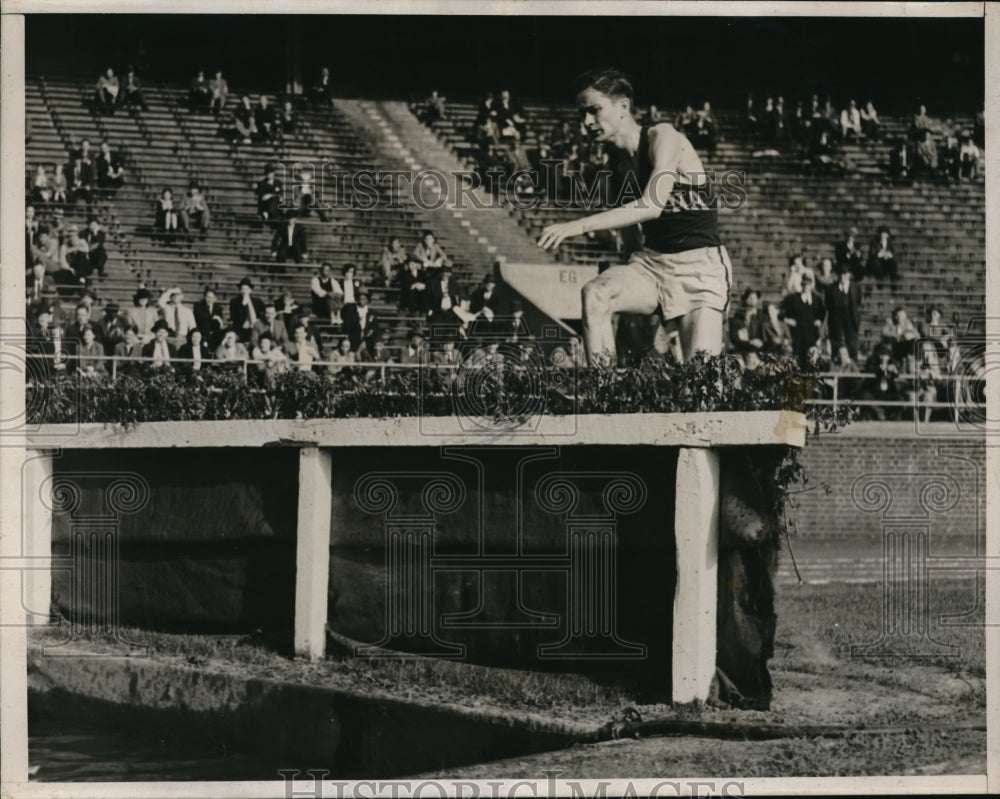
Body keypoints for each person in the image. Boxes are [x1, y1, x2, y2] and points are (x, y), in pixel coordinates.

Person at [537, 68, 732, 365]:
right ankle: (603, 399)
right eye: (582, 114)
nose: (586, 122)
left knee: (702, 385)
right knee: (595, 294)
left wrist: (577, 225)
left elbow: (652, 204)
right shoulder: (613, 167)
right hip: (652, 265)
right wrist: (645, 310)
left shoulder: (663, 136)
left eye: (594, 110)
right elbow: (631, 243)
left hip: (699, 269)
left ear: (623, 107)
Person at [781, 272, 825, 368]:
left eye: (808, 284)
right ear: (801, 285)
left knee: (811, 357)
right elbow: (781, 311)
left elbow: (823, 313)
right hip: (797, 333)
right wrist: (787, 319)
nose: (805, 286)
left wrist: (819, 321)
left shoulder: (817, 299)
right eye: (803, 284)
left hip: (812, 333)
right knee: (797, 356)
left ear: (811, 285)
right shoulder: (793, 298)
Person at [824, 264, 862, 364]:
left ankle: (854, 368)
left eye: (845, 274)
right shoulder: (831, 288)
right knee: (836, 344)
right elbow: (828, 305)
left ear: (849, 275)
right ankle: (835, 367)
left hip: (851, 318)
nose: (843, 276)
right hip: (836, 319)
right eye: (840, 274)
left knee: (852, 344)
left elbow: (858, 301)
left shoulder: (856, 286)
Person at [229, 277, 267, 343]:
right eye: (242, 289)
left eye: (246, 289)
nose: (244, 291)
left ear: (250, 290)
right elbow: (234, 318)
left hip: (255, 328)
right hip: (241, 329)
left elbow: (265, 313)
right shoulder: (234, 302)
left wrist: (259, 320)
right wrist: (243, 306)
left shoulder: (257, 301)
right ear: (240, 290)